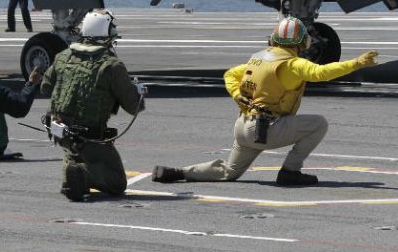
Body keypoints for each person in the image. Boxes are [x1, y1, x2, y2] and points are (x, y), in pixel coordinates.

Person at [151, 16, 378, 186]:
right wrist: (356, 63)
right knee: (319, 123)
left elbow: (230, 74)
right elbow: (322, 73)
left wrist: (236, 95)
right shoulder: (291, 65)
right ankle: (290, 171)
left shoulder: (258, 58)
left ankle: (177, 172)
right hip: (268, 130)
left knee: (228, 172)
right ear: (300, 42)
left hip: (243, 128)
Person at [41, 9, 147, 202]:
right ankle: (82, 173)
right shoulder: (111, 66)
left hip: (60, 133)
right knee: (117, 182)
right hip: (90, 137)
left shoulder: (63, 56)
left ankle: (72, 171)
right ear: (106, 34)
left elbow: (45, 88)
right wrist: (138, 92)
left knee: (74, 157)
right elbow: (133, 107)